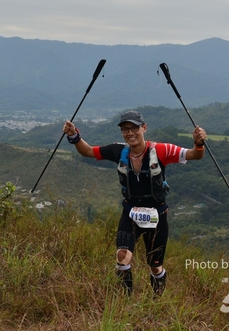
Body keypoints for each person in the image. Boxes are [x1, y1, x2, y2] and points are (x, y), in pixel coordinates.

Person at [63, 110, 207, 296]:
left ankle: (157, 299)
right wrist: (73, 135)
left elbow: (195, 155)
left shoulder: (161, 150)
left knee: (155, 266)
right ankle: (126, 300)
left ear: (144, 128)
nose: (130, 133)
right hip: (130, 212)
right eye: (125, 129)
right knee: (122, 257)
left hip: (157, 215)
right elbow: (88, 151)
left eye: (134, 128)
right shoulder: (118, 151)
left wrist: (198, 142)